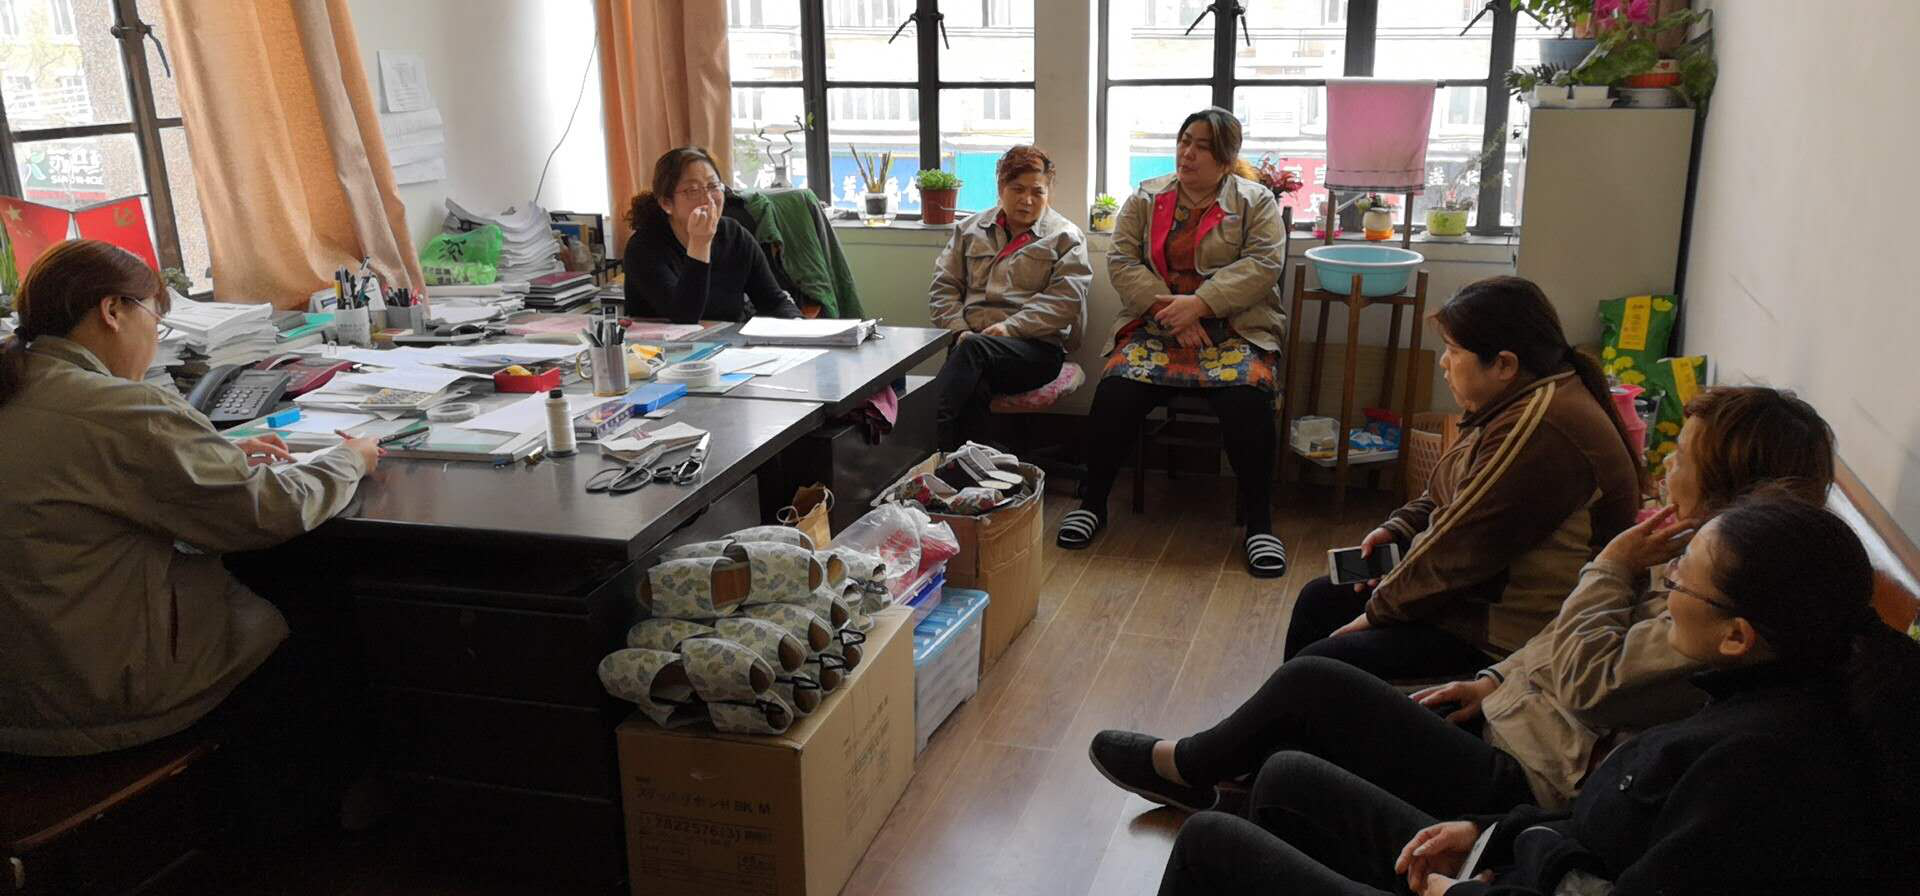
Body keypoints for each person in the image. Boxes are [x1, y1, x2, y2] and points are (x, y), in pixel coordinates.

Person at [1089, 385, 1839, 819]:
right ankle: (1236, 780)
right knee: (1322, 662)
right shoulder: (1682, 546)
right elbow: (1564, 639)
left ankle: (1193, 767)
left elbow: (1590, 680)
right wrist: (1493, 681)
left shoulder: (1715, 597)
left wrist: (1609, 569)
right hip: (1509, 715)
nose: (1665, 461)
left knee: (1319, 677)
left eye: (1684, 455)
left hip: (1530, 777)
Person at [1152, 492, 1918, 895]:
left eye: (1682, 580)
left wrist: (1472, 885)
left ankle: (1195, 771)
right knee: (1288, 776)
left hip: (1514, 857)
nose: (1669, 583)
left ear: (1738, 634)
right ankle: (1200, 766)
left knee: (1214, 841)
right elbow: (1598, 827)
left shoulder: (1757, 768)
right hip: (1519, 849)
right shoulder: (1755, 696)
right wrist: (1490, 835)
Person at [0, 239, 381, 759]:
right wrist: (350, 458)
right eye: (156, 320)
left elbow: (76, 476)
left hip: (18, 698)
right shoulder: (119, 409)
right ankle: (322, 794)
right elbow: (268, 509)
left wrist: (208, 453)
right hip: (100, 701)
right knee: (321, 607)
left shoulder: (21, 387)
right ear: (112, 311)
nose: (154, 340)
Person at [1279, 276, 1642, 681]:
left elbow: (1458, 549)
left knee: (1317, 670)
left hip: (1509, 633)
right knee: (1319, 600)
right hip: (1476, 596)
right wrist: (1399, 530)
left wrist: (1378, 611)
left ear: (1504, 364)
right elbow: (1449, 493)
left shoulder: (1540, 427)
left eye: (1453, 351)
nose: (1443, 362)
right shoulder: (1516, 401)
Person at [1055, 107, 1290, 578]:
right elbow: (1122, 261)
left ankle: (1260, 525)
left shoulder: (1255, 201)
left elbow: (1264, 265)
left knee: (1249, 399)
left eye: (1202, 147)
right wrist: (1175, 315)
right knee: (1116, 390)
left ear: (1226, 159)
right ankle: (1092, 503)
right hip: (1158, 325)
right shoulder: (1147, 197)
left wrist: (1200, 304)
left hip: (1235, 329)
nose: (1188, 153)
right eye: (1184, 142)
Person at [926, 145, 1091, 450]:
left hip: (1034, 351)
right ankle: (974, 466)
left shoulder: (1066, 237)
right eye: (1017, 189)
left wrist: (1010, 328)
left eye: (1037, 192)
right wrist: (959, 330)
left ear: (1049, 192)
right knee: (974, 385)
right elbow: (943, 287)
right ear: (1001, 186)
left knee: (971, 358)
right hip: (970, 343)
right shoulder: (969, 230)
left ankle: (927, 448)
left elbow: (1065, 302)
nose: (1027, 200)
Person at [623, 145, 803, 323]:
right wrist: (700, 244)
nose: (708, 199)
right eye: (693, 190)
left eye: (713, 186)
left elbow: (773, 302)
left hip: (730, 339)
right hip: (665, 342)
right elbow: (683, 315)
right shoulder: (643, 248)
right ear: (666, 203)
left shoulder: (734, 235)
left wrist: (799, 325)